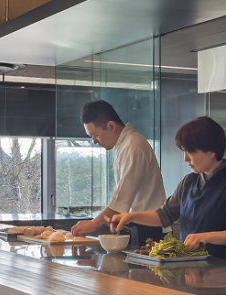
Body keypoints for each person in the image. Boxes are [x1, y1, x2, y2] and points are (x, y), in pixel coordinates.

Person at [111, 115, 226, 261]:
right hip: (190, 271)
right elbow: (165, 215)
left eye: (190, 152)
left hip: (224, 274)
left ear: (211, 151)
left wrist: (207, 237)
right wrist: (130, 216)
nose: (185, 158)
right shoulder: (188, 182)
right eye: (184, 151)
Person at [70, 99, 166, 246]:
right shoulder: (125, 145)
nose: (94, 141)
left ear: (111, 126)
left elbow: (121, 201)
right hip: (140, 227)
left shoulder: (132, 147)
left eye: (95, 135)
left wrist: (93, 224)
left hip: (148, 229)